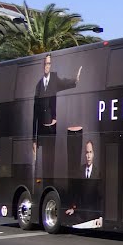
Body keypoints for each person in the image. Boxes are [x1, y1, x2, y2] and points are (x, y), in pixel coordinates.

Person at [32, 53, 82, 182]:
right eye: (45, 64)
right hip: (42, 130)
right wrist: (34, 139)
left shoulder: (54, 78)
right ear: (42, 66)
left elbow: (64, 82)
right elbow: (35, 114)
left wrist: (75, 80)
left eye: (48, 64)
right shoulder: (38, 85)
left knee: (51, 160)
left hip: (52, 129)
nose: (46, 66)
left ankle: (50, 183)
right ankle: (42, 184)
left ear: (50, 65)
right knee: (43, 162)